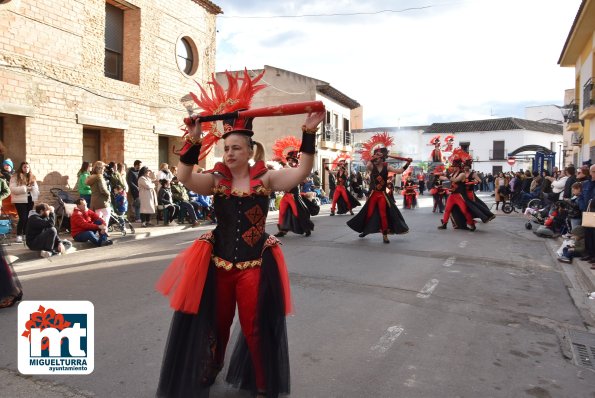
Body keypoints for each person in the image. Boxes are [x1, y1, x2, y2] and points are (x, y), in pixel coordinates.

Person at [155, 69, 325, 398]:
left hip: (255, 266)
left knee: (254, 328)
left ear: (250, 151)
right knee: (216, 326)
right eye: (226, 148)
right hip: (217, 264)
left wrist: (308, 132)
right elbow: (185, 177)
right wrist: (193, 138)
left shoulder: (268, 180)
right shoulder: (216, 181)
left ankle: (262, 383)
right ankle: (213, 365)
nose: (229, 153)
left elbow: (303, 169)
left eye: (236, 148)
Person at [347, 142, 410, 244]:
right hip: (373, 195)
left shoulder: (387, 167)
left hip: (382, 195)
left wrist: (407, 163)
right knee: (369, 214)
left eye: (378, 157)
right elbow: (367, 165)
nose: (376, 159)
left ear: (382, 158)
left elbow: (399, 171)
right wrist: (374, 157)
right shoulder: (371, 166)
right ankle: (365, 230)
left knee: (383, 215)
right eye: (375, 157)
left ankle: (385, 235)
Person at [271, 138, 314, 238]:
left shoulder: (297, 169)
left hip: (294, 195)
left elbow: (291, 171)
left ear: (295, 161)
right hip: (286, 195)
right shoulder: (286, 169)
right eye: (288, 160)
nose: (290, 161)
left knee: (297, 212)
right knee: (282, 212)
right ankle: (282, 230)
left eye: (291, 160)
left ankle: (306, 228)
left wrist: (282, 163)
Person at [10, 161, 39, 243]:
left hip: (30, 199)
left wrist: (33, 189)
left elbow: (36, 188)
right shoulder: (15, 176)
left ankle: (25, 234)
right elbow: (12, 189)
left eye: (27, 167)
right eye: (24, 167)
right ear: (21, 168)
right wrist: (25, 188)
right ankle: (19, 235)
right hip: (19, 200)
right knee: (23, 218)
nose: (26, 169)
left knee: (28, 218)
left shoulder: (32, 177)